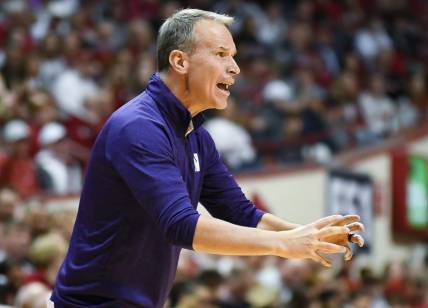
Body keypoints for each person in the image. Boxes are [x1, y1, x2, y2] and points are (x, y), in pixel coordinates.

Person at [51, 9, 364, 307]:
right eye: (221, 54)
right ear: (180, 61)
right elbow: (182, 226)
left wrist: (307, 235)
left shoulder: (196, 135)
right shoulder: (139, 127)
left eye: (233, 57)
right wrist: (286, 244)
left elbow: (241, 213)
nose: (235, 68)